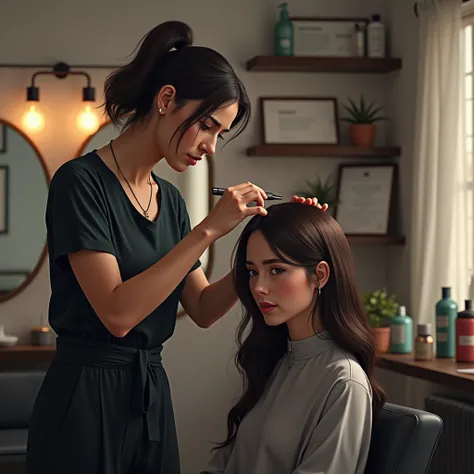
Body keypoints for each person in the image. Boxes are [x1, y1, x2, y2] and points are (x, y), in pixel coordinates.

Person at [25, 20, 325, 474]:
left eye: (219, 135)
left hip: (150, 395)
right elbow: (118, 314)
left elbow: (203, 308)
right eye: (206, 126)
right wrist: (207, 231)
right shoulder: (80, 183)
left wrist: (260, 243)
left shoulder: (171, 201)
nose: (209, 146)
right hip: (86, 396)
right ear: (166, 100)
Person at [200, 202, 386, 474]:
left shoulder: (343, 381)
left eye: (276, 270)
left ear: (319, 275)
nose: (259, 287)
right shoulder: (275, 362)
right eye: (253, 272)